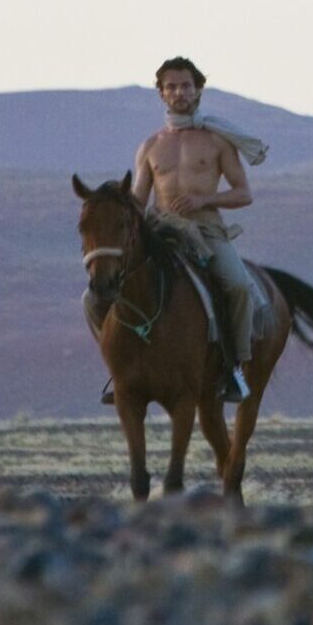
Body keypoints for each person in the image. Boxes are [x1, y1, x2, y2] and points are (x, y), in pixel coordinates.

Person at [103, 55, 263, 403]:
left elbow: (244, 193)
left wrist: (205, 199)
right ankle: (120, 372)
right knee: (97, 294)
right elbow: (138, 201)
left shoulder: (217, 141)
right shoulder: (150, 146)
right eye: (171, 87)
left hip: (206, 231)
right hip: (161, 232)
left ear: (198, 89)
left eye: (186, 85)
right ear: (161, 93)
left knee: (237, 286)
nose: (179, 92)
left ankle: (234, 369)